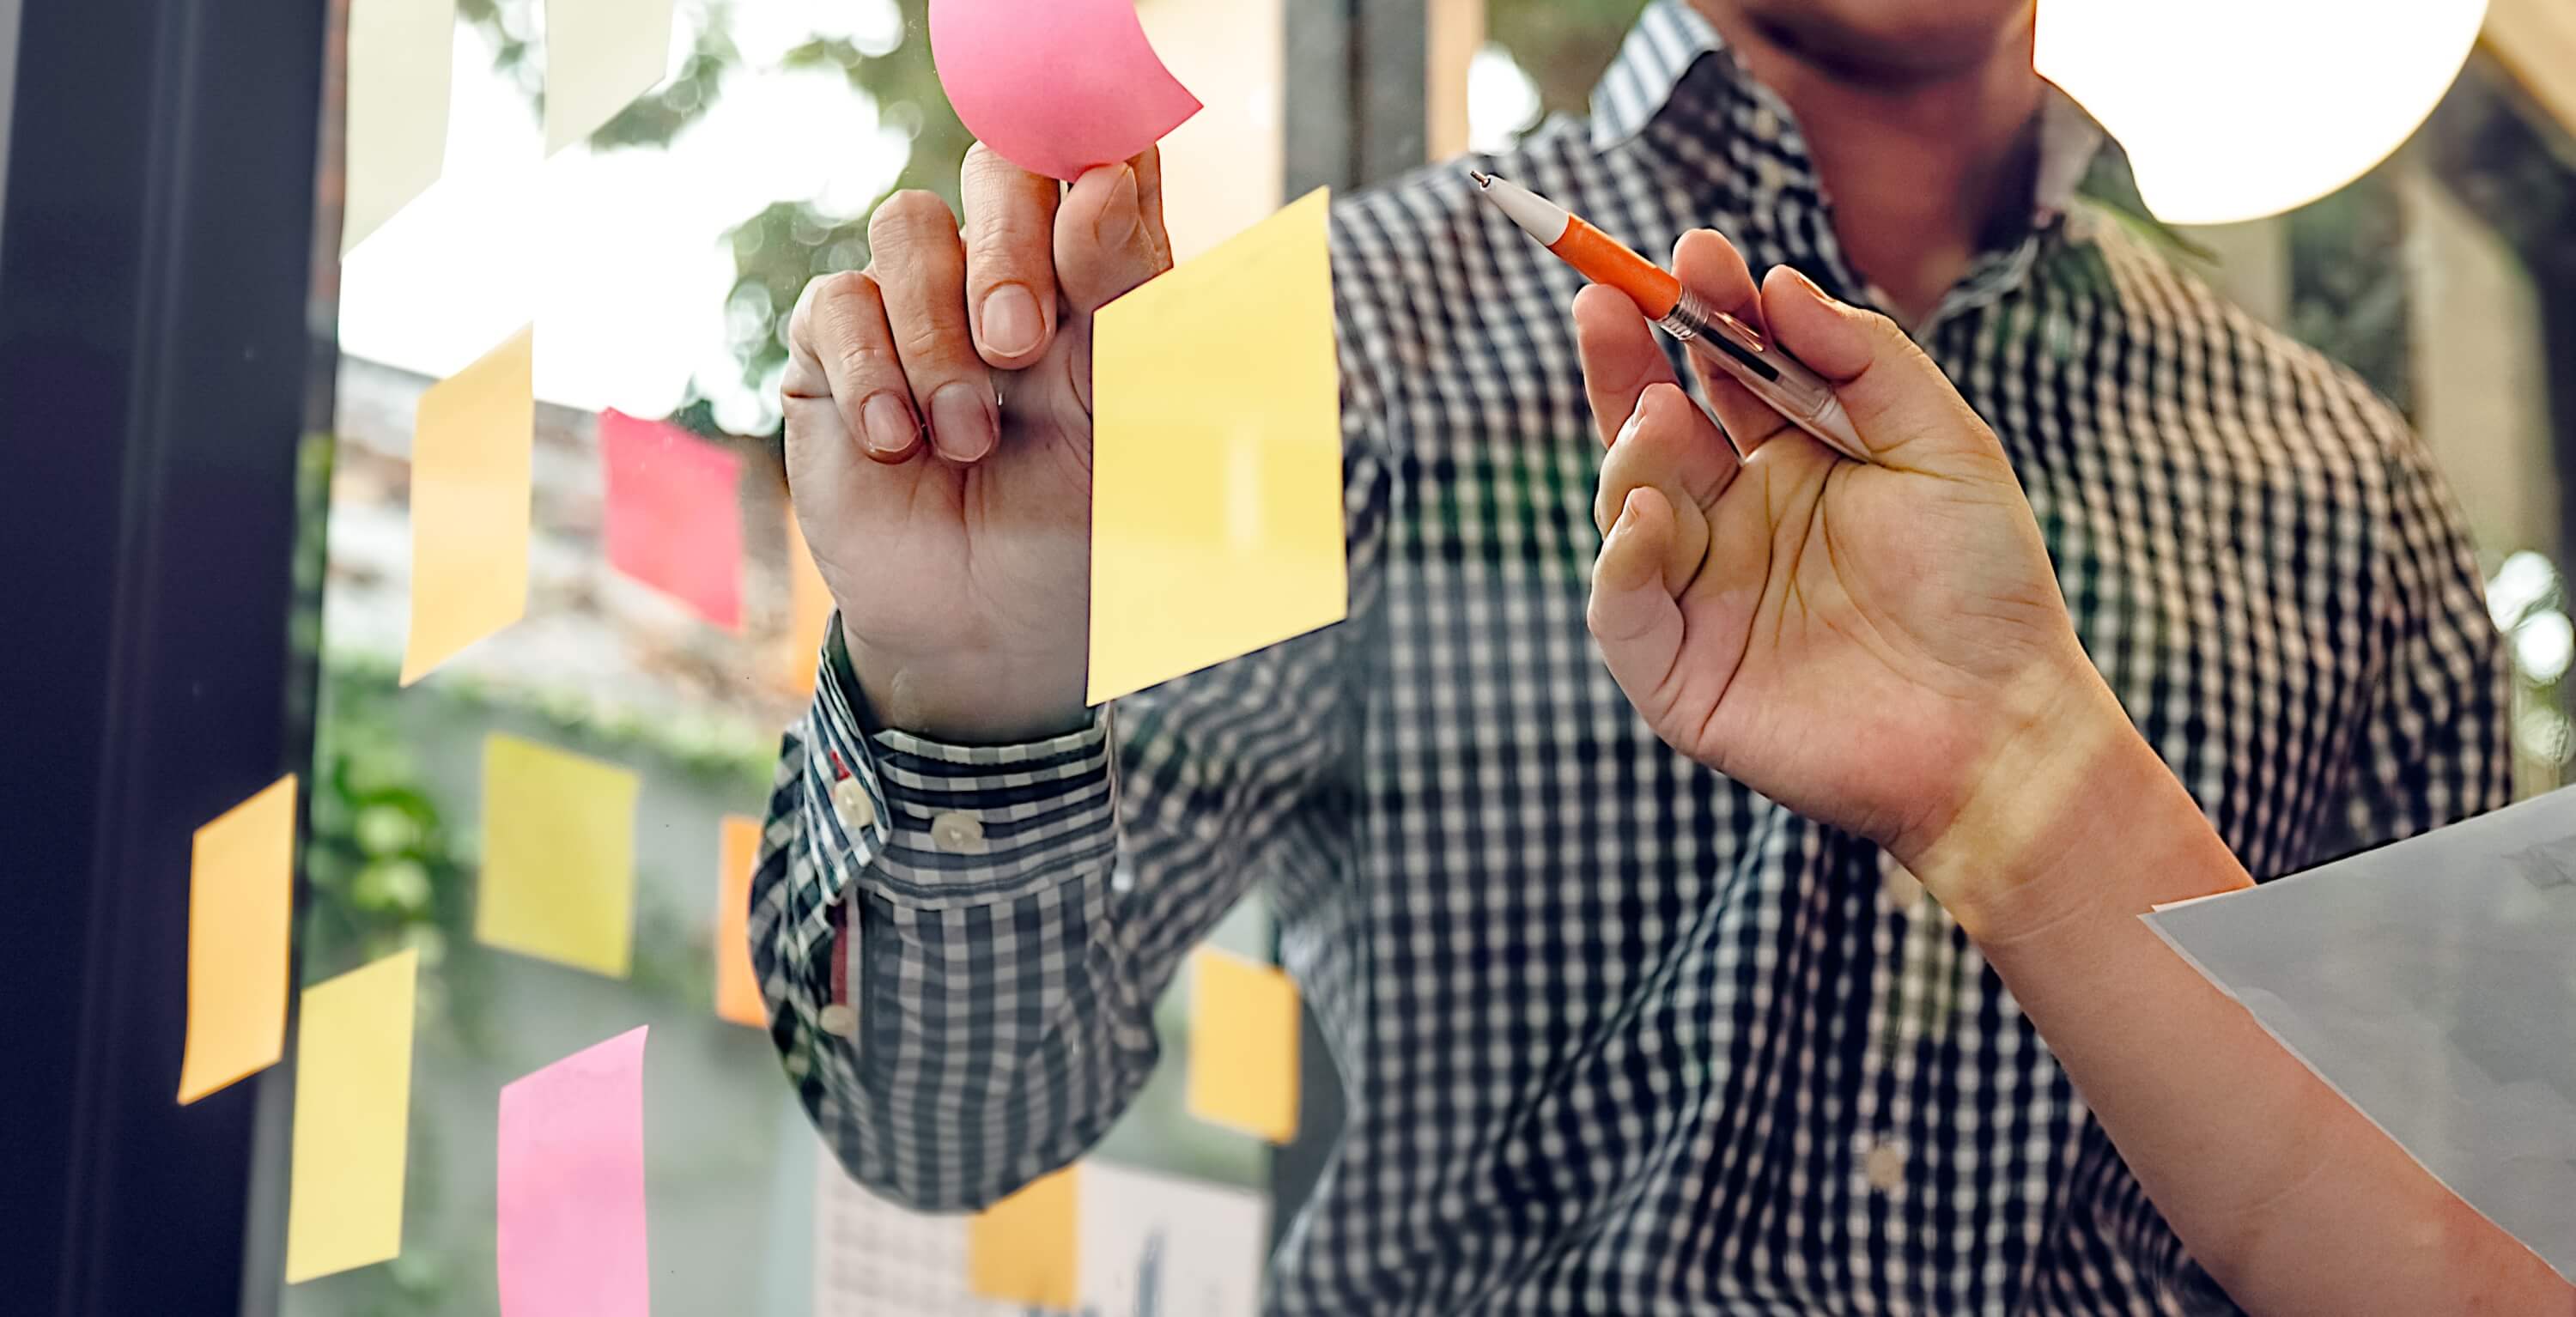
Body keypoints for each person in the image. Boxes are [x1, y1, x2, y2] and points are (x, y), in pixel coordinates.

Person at [750, 0, 2529, 1309]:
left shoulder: (2344, 484)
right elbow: (942, 1125)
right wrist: (962, 700)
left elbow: (2468, 1224)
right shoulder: (1320, 333)